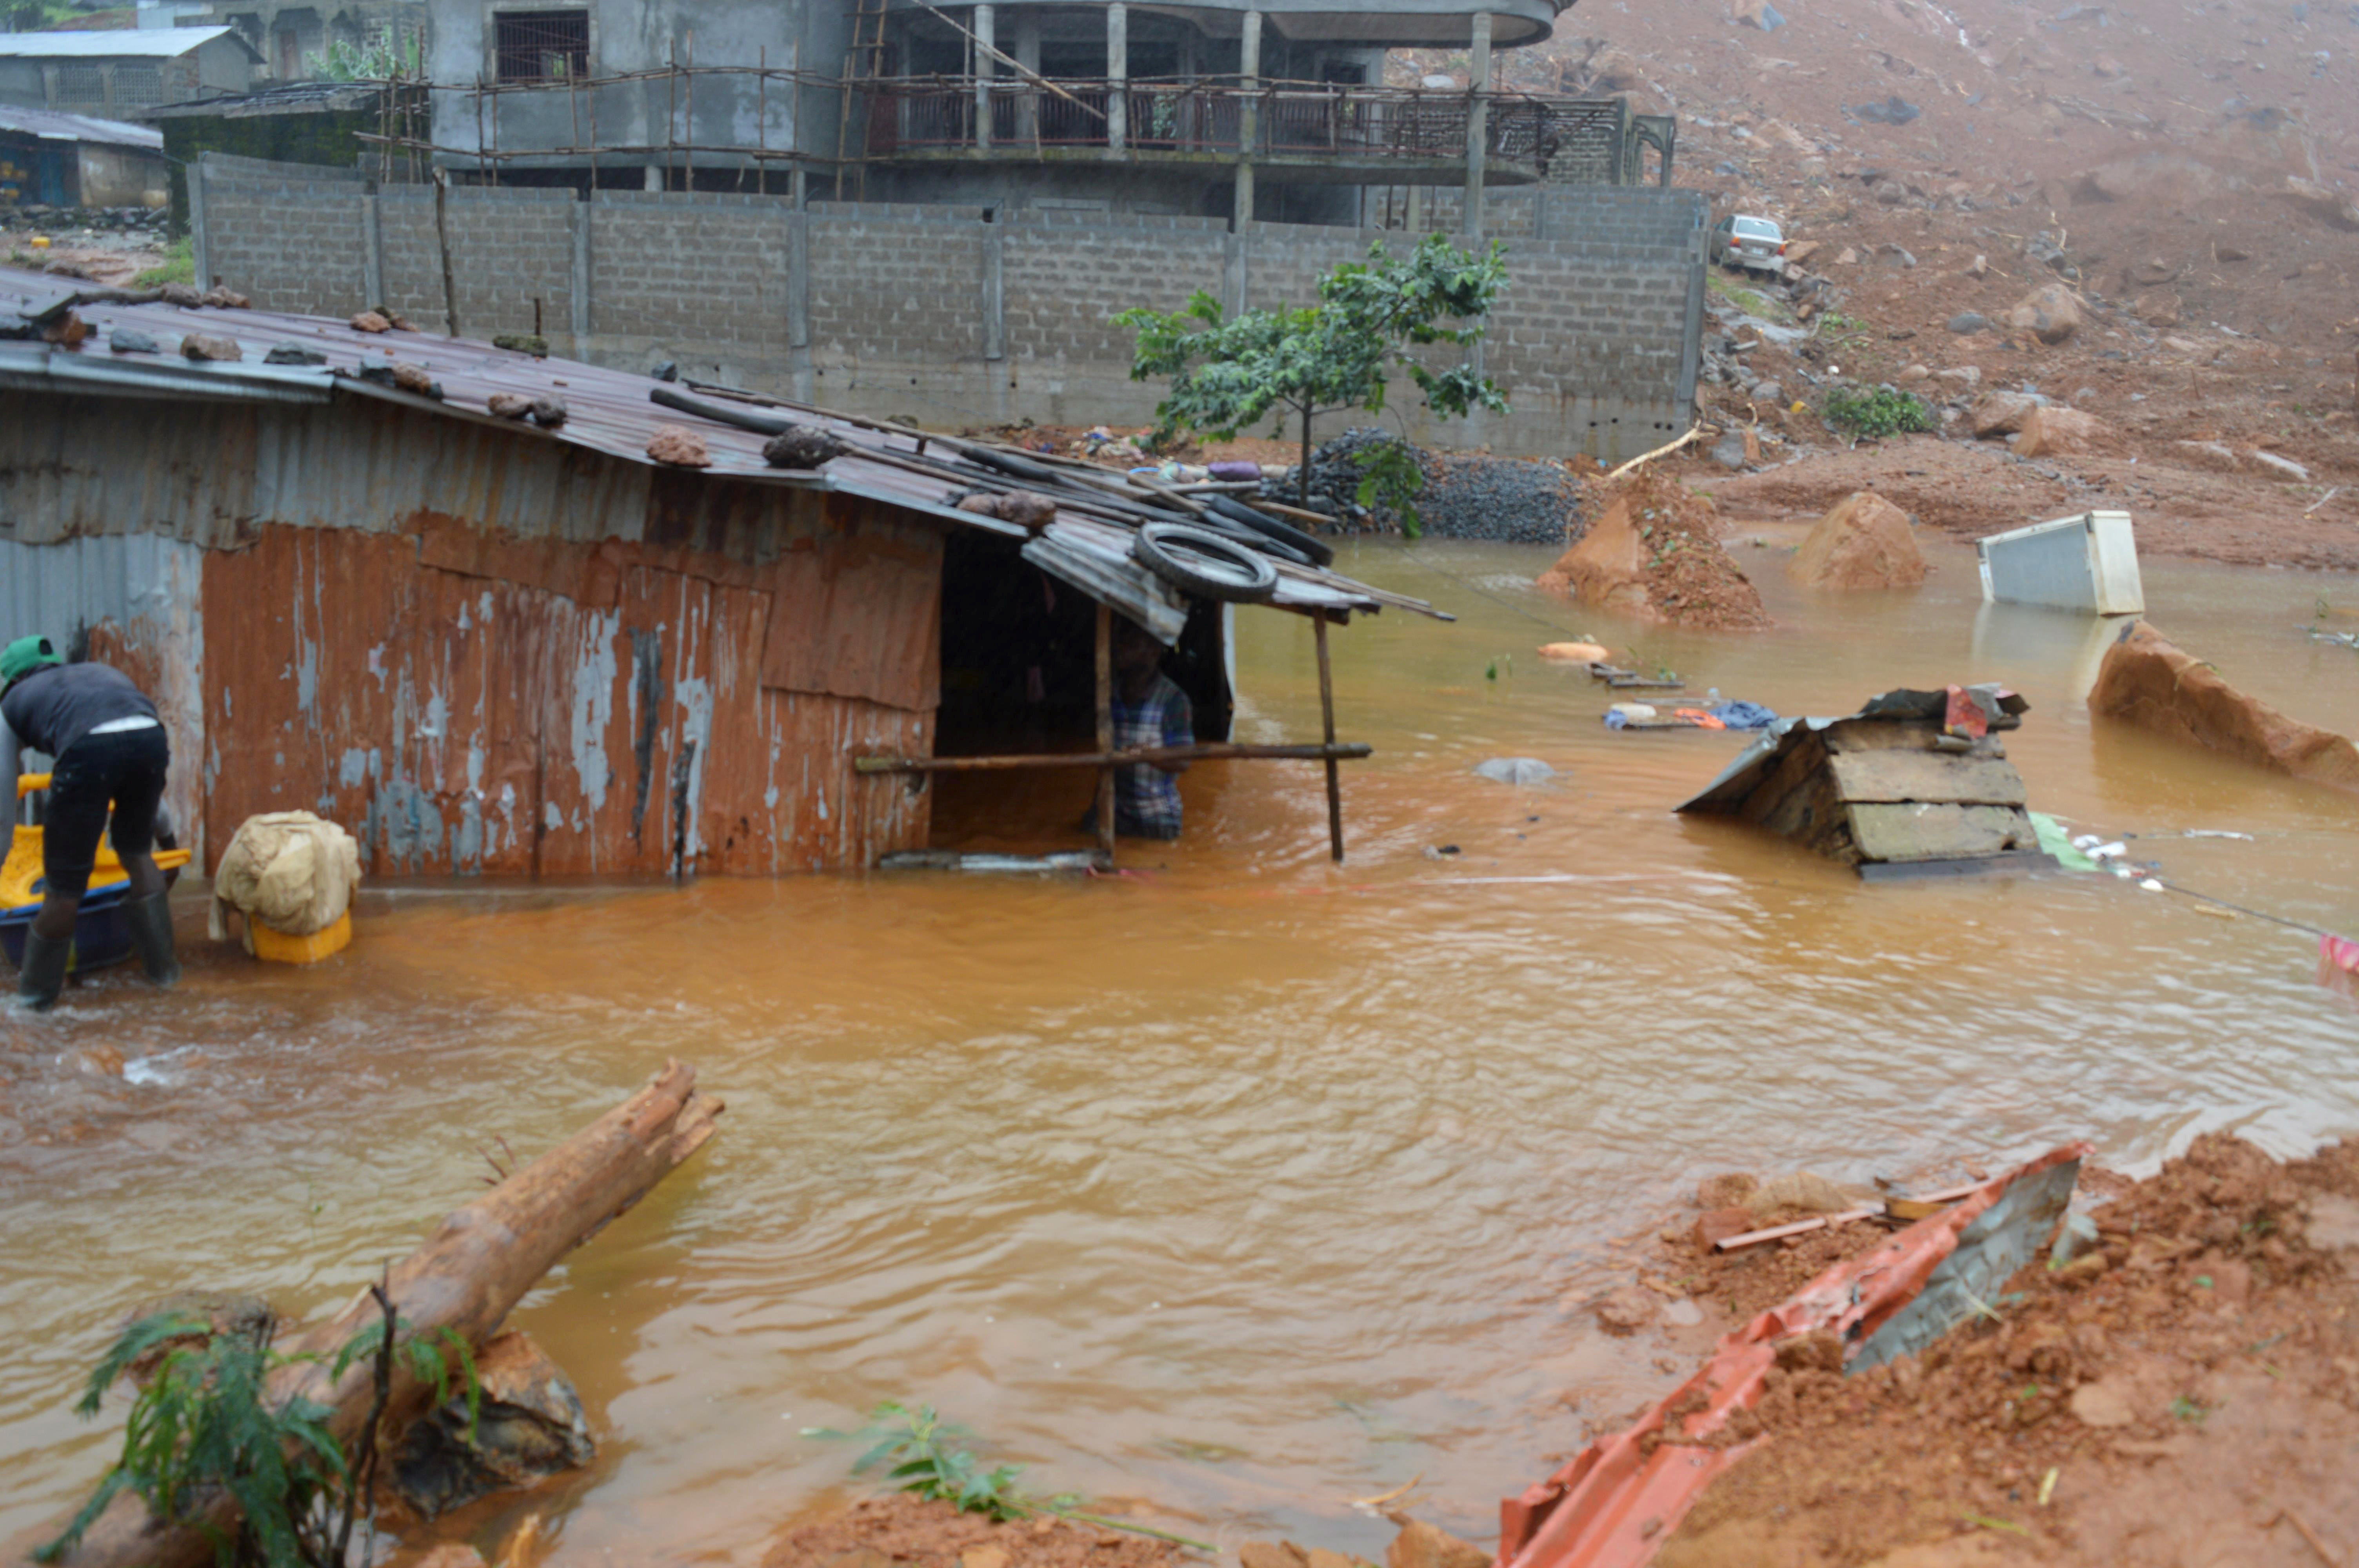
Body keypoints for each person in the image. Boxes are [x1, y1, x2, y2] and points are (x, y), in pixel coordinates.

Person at [1, 636, 179, 1010]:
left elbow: (4, 799)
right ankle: (167, 979)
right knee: (136, 854)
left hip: (87, 751)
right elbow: (126, 736)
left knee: (64, 889)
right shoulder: (100, 676)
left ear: (14, 679)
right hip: (150, 737)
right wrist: (168, 839)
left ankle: (33, 1007)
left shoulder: (13, 702)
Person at [1102, 617, 1195, 841]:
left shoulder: (1173, 700)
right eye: (1121, 643)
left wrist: (1144, 755)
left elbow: (1183, 761)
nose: (1121, 649)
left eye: (1131, 644)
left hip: (1156, 817)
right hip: (1118, 811)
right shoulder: (1110, 692)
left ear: (1153, 652)